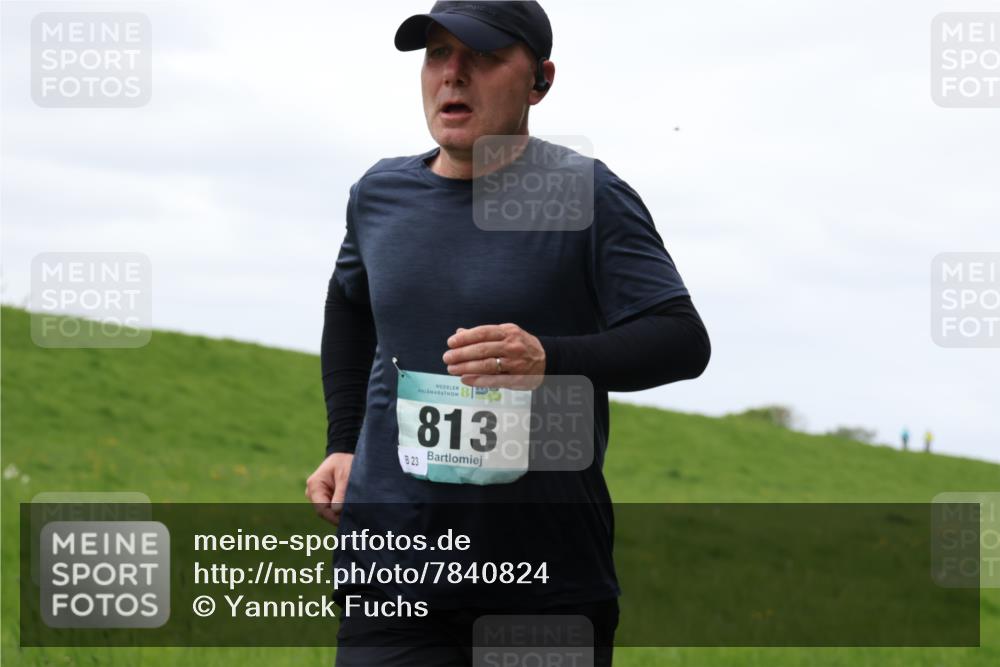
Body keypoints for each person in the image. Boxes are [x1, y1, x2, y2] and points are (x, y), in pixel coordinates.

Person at [305, 2, 711, 664]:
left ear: (540, 81)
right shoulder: (378, 194)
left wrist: (547, 357)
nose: (452, 76)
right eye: (438, 55)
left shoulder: (586, 194)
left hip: (542, 580)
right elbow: (349, 306)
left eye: (485, 58)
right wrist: (342, 441)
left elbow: (680, 339)